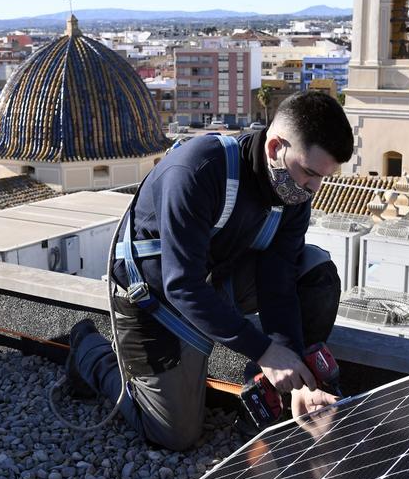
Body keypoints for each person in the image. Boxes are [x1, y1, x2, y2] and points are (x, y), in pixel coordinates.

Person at [66, 90, 353, 450]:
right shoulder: (199, 170)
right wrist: (264, 350)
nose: (314, 188)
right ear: (275, 147)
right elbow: (181, 284)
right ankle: (88, 351)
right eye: (310, 173)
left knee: (314, 270)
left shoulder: (293, 194)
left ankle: (264, 397)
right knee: (174, 434)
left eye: (322, 178)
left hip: (215, 280)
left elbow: (278, 280)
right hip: (155, 297)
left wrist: (294, 375)